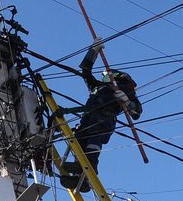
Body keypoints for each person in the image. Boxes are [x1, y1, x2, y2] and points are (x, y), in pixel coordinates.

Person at [56, 39, 142, 191]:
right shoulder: (98, 87)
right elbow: (85, 71)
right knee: (79, 140)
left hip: (104, 117)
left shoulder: (124, 88)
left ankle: (90, 164)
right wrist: (92, 52)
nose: (105, 78)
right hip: (88, 117)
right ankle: (80, 177)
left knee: (94, 136)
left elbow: (137, 112)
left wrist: (127, 102)